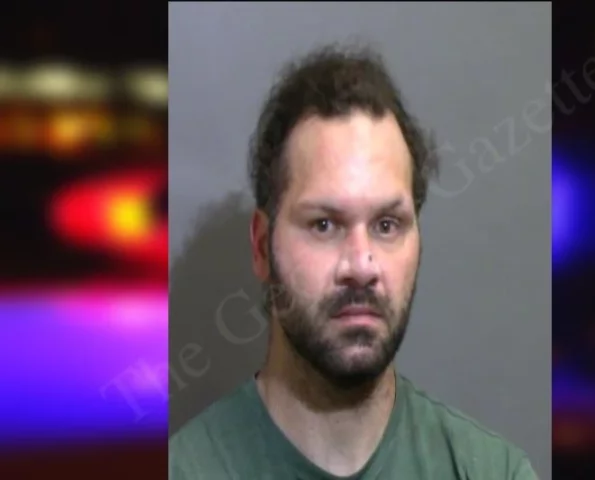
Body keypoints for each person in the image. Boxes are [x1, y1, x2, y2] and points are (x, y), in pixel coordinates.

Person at [170, 43, 538, 480]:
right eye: (324, 224)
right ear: (262, 247)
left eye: (387, 224)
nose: (362, 266)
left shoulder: (495, 472)